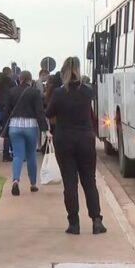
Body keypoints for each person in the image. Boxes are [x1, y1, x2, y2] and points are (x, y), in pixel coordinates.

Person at [46, 57, 106, 236]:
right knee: (89, 181)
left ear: (63, 71)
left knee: (70, 183)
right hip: (85, 139)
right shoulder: (87, 92)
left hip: (64, 140)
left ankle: (74, 224)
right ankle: (96, 221)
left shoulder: (58, 93)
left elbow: (49, 113)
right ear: (78, 70)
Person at [3, 71, 50, 196]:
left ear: (20, 79)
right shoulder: (35, 93)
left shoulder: (12, 92)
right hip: (31, 126)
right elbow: (39, 112)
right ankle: (33, 184)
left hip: (14, 126)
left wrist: (4, 127)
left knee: (17, 155)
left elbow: (6, 111)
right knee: (31, 155)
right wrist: (45, 129)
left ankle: (16, 180)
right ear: (30, 80)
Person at [0, 67, 15, 162]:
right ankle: (10, 153)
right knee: (10, 132)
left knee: (5, 132)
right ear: (9, 73)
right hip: (9, 109)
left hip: (2, 109)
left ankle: (5, 153)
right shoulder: (11, 83)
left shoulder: (0, 83)